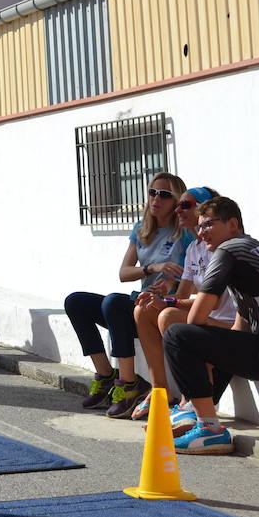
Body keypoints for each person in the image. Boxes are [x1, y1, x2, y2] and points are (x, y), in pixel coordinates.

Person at [164, 197, 259, 454]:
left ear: (233, 224)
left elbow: (196, 319)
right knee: (218, 340)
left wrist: (204, 357)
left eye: (207, 225)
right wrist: (214, 354)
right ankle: (196, 412)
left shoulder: (228, 251)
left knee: (178, 334)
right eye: (199, 227)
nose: (201, 234)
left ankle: (209, 429)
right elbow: (240, 327)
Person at [64, 171, 193, 418]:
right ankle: (105, 375)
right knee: (76, 301)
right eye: (152, 192)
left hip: (161, 309)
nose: (156, 199)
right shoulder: (141, 229)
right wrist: (152, 268)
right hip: (139, 303)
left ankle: (129, 384)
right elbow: (124, 273)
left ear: (177, 201)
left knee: (113, 302)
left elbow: (195, 274)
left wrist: (169, 281)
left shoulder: (184, 233)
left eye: (164, 195)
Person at [131, 186, 234, 421]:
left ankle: (193, 395)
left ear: (205, 209)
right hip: (205, 316)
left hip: (227, 325)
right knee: (143, 310)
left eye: (185, 205)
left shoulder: (221, 247)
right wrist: (159, 299)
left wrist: (168, 302)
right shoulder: (194, 248)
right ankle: (159, 391)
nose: (177, 209)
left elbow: (211, 304)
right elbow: (183, 294)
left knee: (168, 316)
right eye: (178, 204)